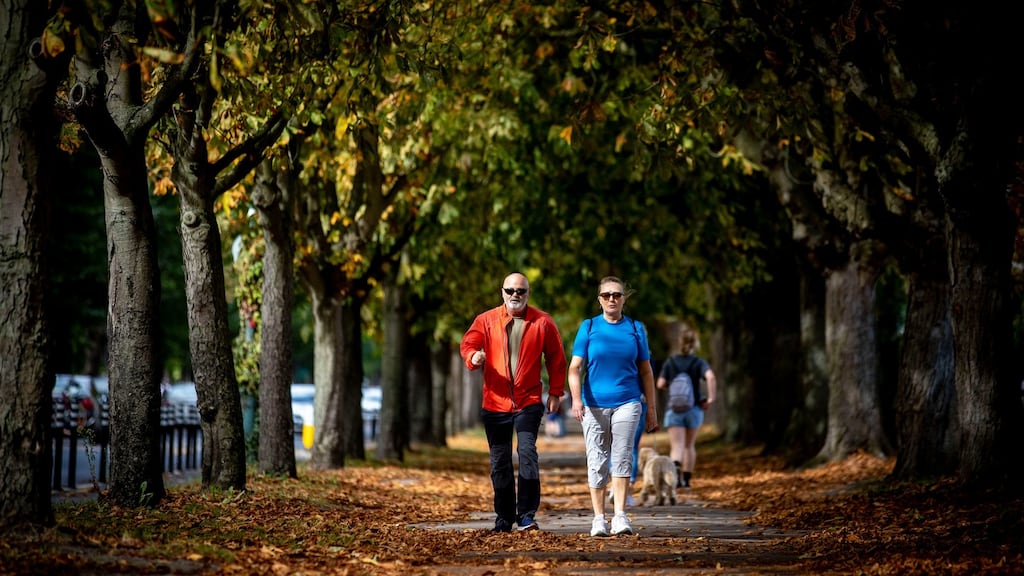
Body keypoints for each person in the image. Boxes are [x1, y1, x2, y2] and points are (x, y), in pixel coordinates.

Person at [460, 272, 567, 533]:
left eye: (520, 291)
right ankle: (504, 516)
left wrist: (555, 392)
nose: (515, 295)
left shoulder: (542, 322)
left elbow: (556, 358)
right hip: (495, 402)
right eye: (510, 291)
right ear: (502, 292)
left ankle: (527, 514)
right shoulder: (486, 320)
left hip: (528, 400)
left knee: (528, 452)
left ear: (528, 293)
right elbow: (468, 344)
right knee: (500, 460)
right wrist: (473, 356)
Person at [568, 276, 658, 537]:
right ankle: (598, 519)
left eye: (616, 295)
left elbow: (646, 372)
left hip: (628, 402)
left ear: (624, 299)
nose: (611, 299)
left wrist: (651, 409)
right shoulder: (589, 327)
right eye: (606, 295)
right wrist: (576, 399)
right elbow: (574, 368)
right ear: (599, 299)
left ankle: (620, 516)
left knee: (621, 456)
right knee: (597, 460)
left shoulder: (635, 328)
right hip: (593, 404)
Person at [657, 323, 717, 489]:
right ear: (695, 343)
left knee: (676, 446)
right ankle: (687, 480)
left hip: (674, 409)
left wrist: (672, 388)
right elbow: (710, 377)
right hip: (694, 409)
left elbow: (660, 383)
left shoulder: (671, 362)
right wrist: (711, 398)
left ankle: (674, 472)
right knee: (689, 446)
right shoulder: (699, 362)